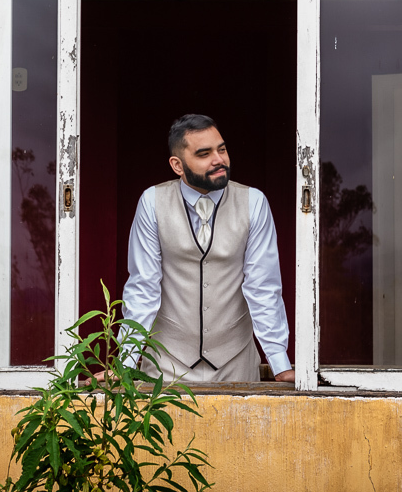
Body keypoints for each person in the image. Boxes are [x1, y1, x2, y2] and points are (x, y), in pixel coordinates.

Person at [121, 114, 295, 383]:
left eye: (222, 149)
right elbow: (143, 286)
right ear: (177, 165)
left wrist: (279, 363)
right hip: (166, 362)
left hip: (236, 361)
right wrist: (125, 361)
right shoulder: (152, 202)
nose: (219, 160)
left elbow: (263, 287)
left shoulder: (254, 202)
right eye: (204, 153)